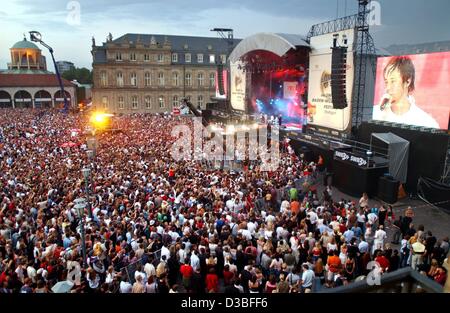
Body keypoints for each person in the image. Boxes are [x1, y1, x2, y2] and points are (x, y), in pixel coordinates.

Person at [373, 56, 439, 128]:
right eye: (386, 82)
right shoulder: (375, 113)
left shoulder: (426, 123)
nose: (388, 87)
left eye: (393, 81)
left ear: (407, 81)